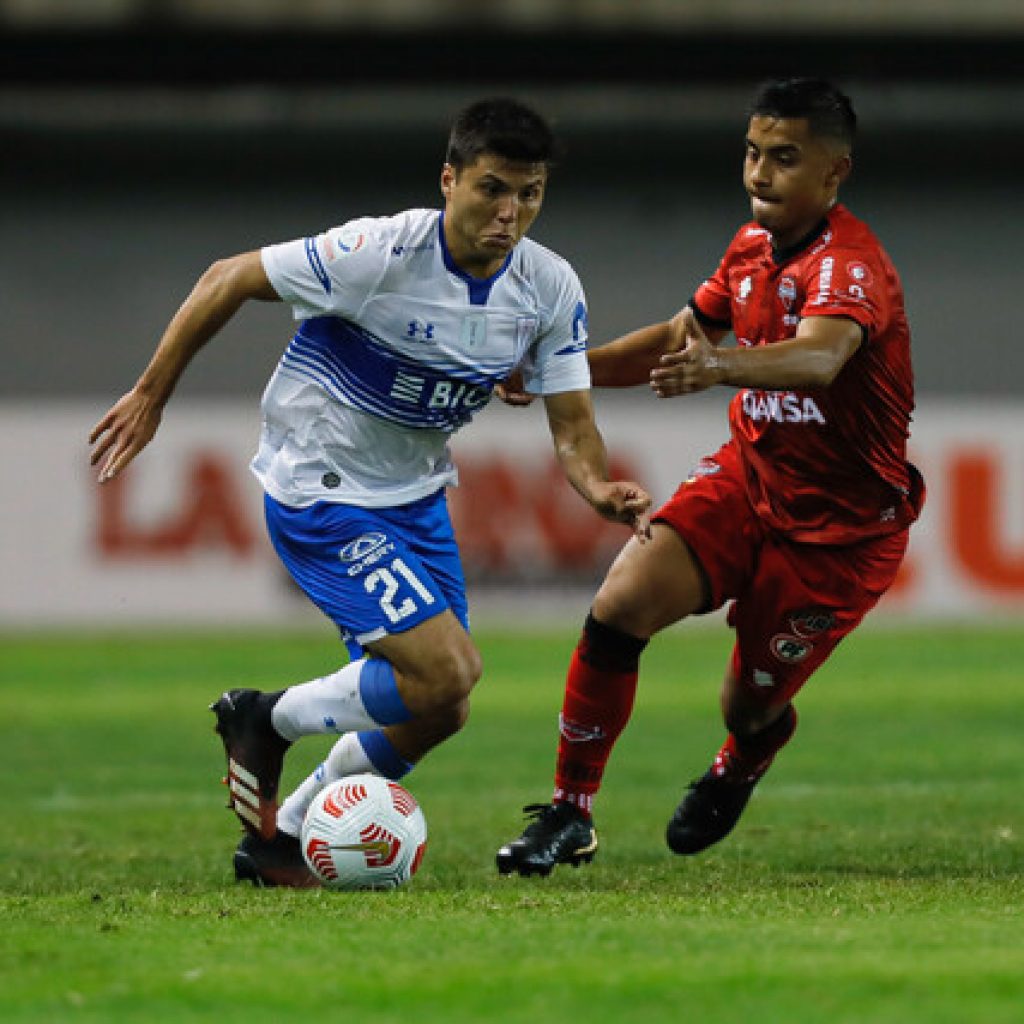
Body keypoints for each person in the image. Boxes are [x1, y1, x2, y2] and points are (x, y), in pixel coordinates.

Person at [88, 97, 651, 888]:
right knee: (448, 671)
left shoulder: (549, 287)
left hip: (414, 494)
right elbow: (227, 278)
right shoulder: (379, 252)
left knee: (439, 707)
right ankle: (265, 718)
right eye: (492, 189)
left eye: (529, 195)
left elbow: (573, 422)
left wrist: (596, 487)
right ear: (448, 180)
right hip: (319, 483)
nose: (510, 212)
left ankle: (281, 836)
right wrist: (152, 393)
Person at [496, 78, 925, 877]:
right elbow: (677, 334)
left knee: (749, 703)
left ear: (834, 173)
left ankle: (746, 754)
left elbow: (824, 356)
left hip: (840, 533)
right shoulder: (748, 250)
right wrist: (561, 370)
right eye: (753, 152)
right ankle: (568, 812)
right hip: (748, 479)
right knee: (620, 603)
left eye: (785, 158)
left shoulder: (854, 267)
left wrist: (719, 366)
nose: (760, 173)